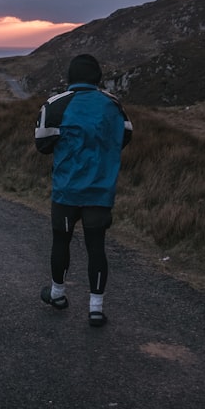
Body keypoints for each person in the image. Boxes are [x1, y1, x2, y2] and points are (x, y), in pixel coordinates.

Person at [35, 54, 132, 326]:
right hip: (100, 191)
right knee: (96, 247)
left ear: (70, 77)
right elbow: (125, 135)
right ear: (97, 78)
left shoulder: (56, 104)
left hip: (67, 190)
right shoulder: (113, 105)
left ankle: (57, 295)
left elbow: (41, 144)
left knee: (61, 241)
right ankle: (96, 309)